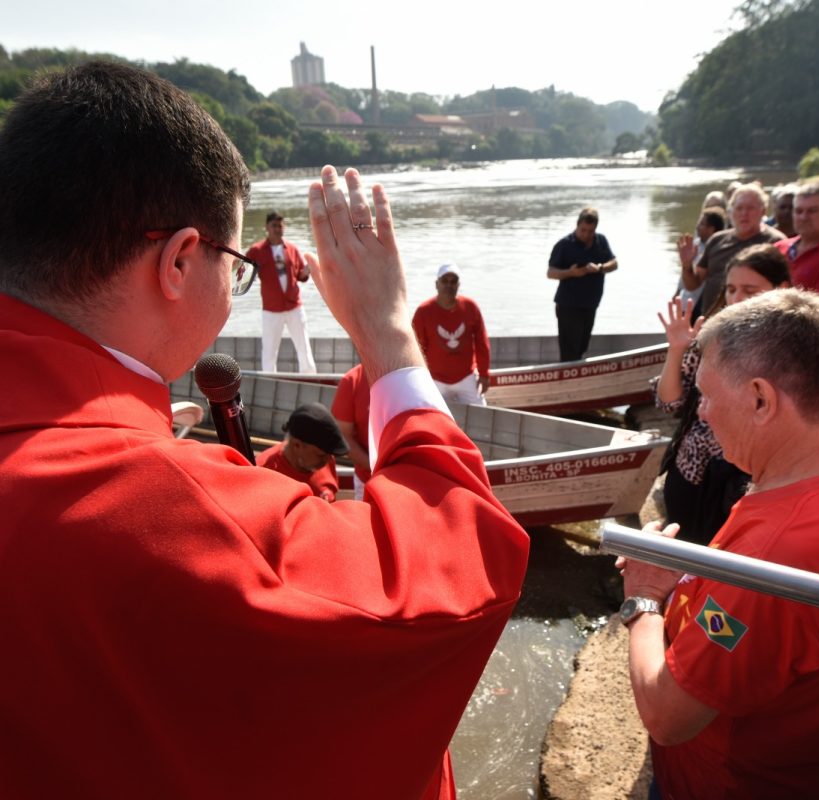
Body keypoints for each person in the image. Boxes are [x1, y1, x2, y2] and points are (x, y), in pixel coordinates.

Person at [0, 62, 529, 799]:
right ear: (180, 258)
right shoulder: (153, 503)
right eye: (233, 262)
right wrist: (385, 331)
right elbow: (462, 557)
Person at [618, 289, 819, 799]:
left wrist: (643, 596)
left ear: (760, 399)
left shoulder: (774, 560)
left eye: (705, 394)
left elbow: (667, 717)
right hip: (807, 763)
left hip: (725, 781)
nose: (701, 413)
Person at [655, 244, 791, 546]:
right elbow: (670, 403)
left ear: (781, 289)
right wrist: (677, 349)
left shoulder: (793, 352)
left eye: (749, 290)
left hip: (744, 480)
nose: (737, 299)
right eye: (731, 289)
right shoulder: (710, 339)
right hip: (689, 471)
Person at [678, 184, 784, 316]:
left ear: (763, 211)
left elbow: (784, 290)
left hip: (756, 322)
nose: (744, 214)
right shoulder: (717, 240)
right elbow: (693, 285)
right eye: (739, 208)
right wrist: (687, 265)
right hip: (713, 322)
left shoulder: (776, 242)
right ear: (730, 212)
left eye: (750, 208)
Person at [247, 211, 318, 374]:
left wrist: (306, 272)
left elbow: (300, 274)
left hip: (294, 306)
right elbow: (244, 271)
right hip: (272, 309)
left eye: (280, 225)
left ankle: (310, 376)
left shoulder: (292, 248)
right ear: (267, 227)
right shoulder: (256, 250)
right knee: (269, 351)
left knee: (304, 348)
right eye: (274, 226)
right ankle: (270, 379)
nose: (278, 229)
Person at [412, 262, 491, 405]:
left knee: (482, 414)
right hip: (435, 380)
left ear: (458, 285)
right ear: (437, 284)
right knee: (429, 417)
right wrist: (419, 378)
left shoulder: (470, 307)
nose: (449, 285)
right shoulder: (423, 312)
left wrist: (484, 374)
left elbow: (482, 342)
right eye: (444, 281)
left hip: (466, 377)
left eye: (453, 281)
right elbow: (416, 348)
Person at [547, 207, 618, 361]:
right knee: (569, 352)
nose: (586, 235)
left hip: (590, 305)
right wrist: (571, 273)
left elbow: (614, 264)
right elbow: (551, 273)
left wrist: (600, 268)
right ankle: (567, 382)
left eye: (590, 231)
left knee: (581, 348)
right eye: (583, 230)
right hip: (568, 306)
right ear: (577, 225)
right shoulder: (564, 245)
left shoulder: (601, 241)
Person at [256, 402, 345, 502]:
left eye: (330, 455)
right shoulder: (263, 472)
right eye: (321, 455)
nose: (328, 460)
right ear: (297, 445)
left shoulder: (326, 459)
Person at [331, 363, 372, 501]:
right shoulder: (352, 381)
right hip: (367, 480)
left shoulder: (412, 378)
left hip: (405, 480)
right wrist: (376, 469)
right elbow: (344, 436)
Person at [675, 207, 726, 307]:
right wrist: (677, 292)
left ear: (711, 229)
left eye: (702, 224)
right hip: (686, 300)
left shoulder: (719, 250)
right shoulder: (694, 244)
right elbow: (685, 272)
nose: (697, 227)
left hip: (703, 304)